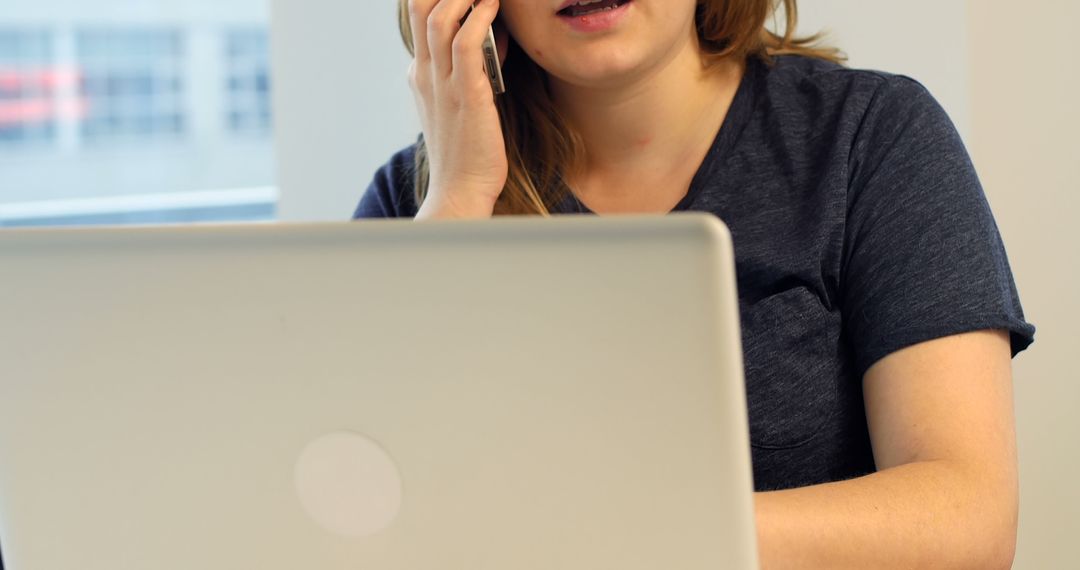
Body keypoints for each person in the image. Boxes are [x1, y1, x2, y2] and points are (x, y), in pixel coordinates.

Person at [354, 0, 1036, 567]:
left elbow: (967, 518)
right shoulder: (414, 203)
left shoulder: (870, 135)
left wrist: (632, 536)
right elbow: (359, 517)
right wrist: (460, 201)